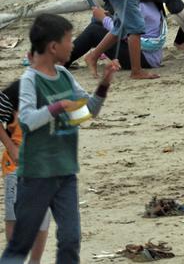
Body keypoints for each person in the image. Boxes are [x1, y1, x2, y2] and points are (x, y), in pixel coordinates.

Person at [0, 15, 117, 264]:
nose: (73, 45)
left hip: (65, 172)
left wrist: (104, 84)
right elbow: (28, 120)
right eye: (69, 40)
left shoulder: (64, 75)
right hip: (36, 175)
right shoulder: (30, 80)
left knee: (70, 239)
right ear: (53, 47)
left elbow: (87, 113)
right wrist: (58, 107)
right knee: (20, 245)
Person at [0, 78, 50, 264]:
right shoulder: (16, 90)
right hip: (16, 166)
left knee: (42, 218)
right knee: (14, 216)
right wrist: (11, 148)